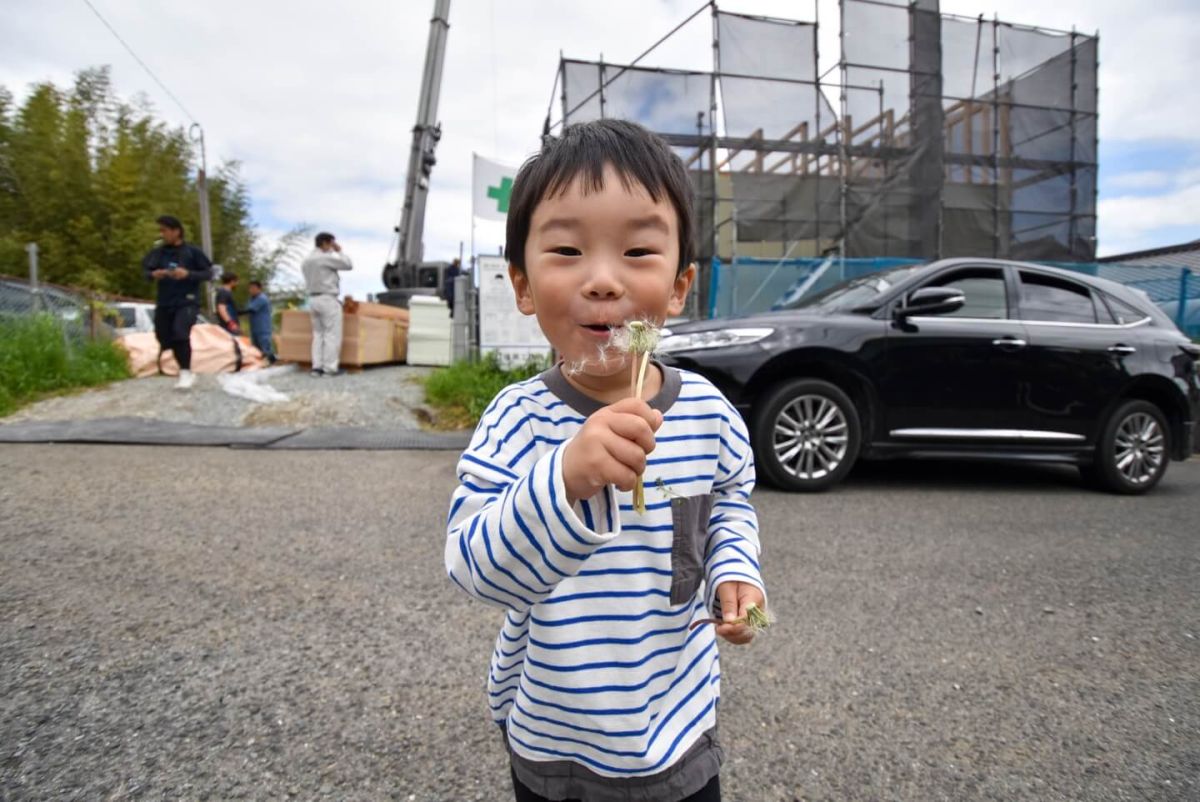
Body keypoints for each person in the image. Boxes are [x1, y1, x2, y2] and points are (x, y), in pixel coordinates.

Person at [444, 119, 766, 802]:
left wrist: (735, 573)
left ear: (679, 286)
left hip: (678, 728)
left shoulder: (706, 411)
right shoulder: (517, 420)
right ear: (523, 285)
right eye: (566, 249)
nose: (601, 279)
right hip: (555, 739)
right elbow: (473, 568)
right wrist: (564, 480)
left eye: (638, 250)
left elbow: (732, 497)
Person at [142, 214, 212, 390]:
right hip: (165, 301)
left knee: (180, 333)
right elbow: (145, 272)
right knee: (163, 335)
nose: (162, 233)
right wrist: (154, 274)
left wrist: (188, 274)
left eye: (164, 230)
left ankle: (186, 372)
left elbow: (211, 273)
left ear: (176, 231)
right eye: (160, 230)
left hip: (187, 301)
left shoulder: (193, 252)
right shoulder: (157, 252)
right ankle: (179, 365)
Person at [300, 231, 352, 377]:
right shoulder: (324, 258)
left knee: (318, 335)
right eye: (331, 243)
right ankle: (330, 368)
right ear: (325, 243)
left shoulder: (307, 260)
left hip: (312, 299)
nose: (332, 247)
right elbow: (348, 265)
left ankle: (316, 367)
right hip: (327, 298)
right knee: (332, 334)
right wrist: (339, 250)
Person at [244, 280, 276, 364]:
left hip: (263, 327)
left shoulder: (262, 298)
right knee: (256, 348)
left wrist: (235, 312)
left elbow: (250, 310)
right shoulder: (251, 299)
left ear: (259, 289)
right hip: (254, 327)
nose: (251, 290)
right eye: (250, 288)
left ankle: (271, 362)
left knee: (265, 347)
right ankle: (261, 363)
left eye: (253, 288)